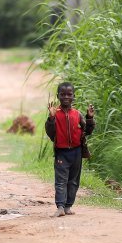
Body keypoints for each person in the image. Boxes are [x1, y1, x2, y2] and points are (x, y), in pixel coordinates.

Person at [45, 82, 95, 217]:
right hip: (61, 153)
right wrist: (51, 118)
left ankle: (68, 206)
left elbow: (88, 130)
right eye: (63, 94)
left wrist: (89, 118)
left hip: (76, 152)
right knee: (61, 181)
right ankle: (60, 207)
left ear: (74, 96)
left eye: (69, 94)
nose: (66, 97)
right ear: (58, 96)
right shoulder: (55, 113)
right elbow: (50, 133)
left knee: (73, 180)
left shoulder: (77, 114)